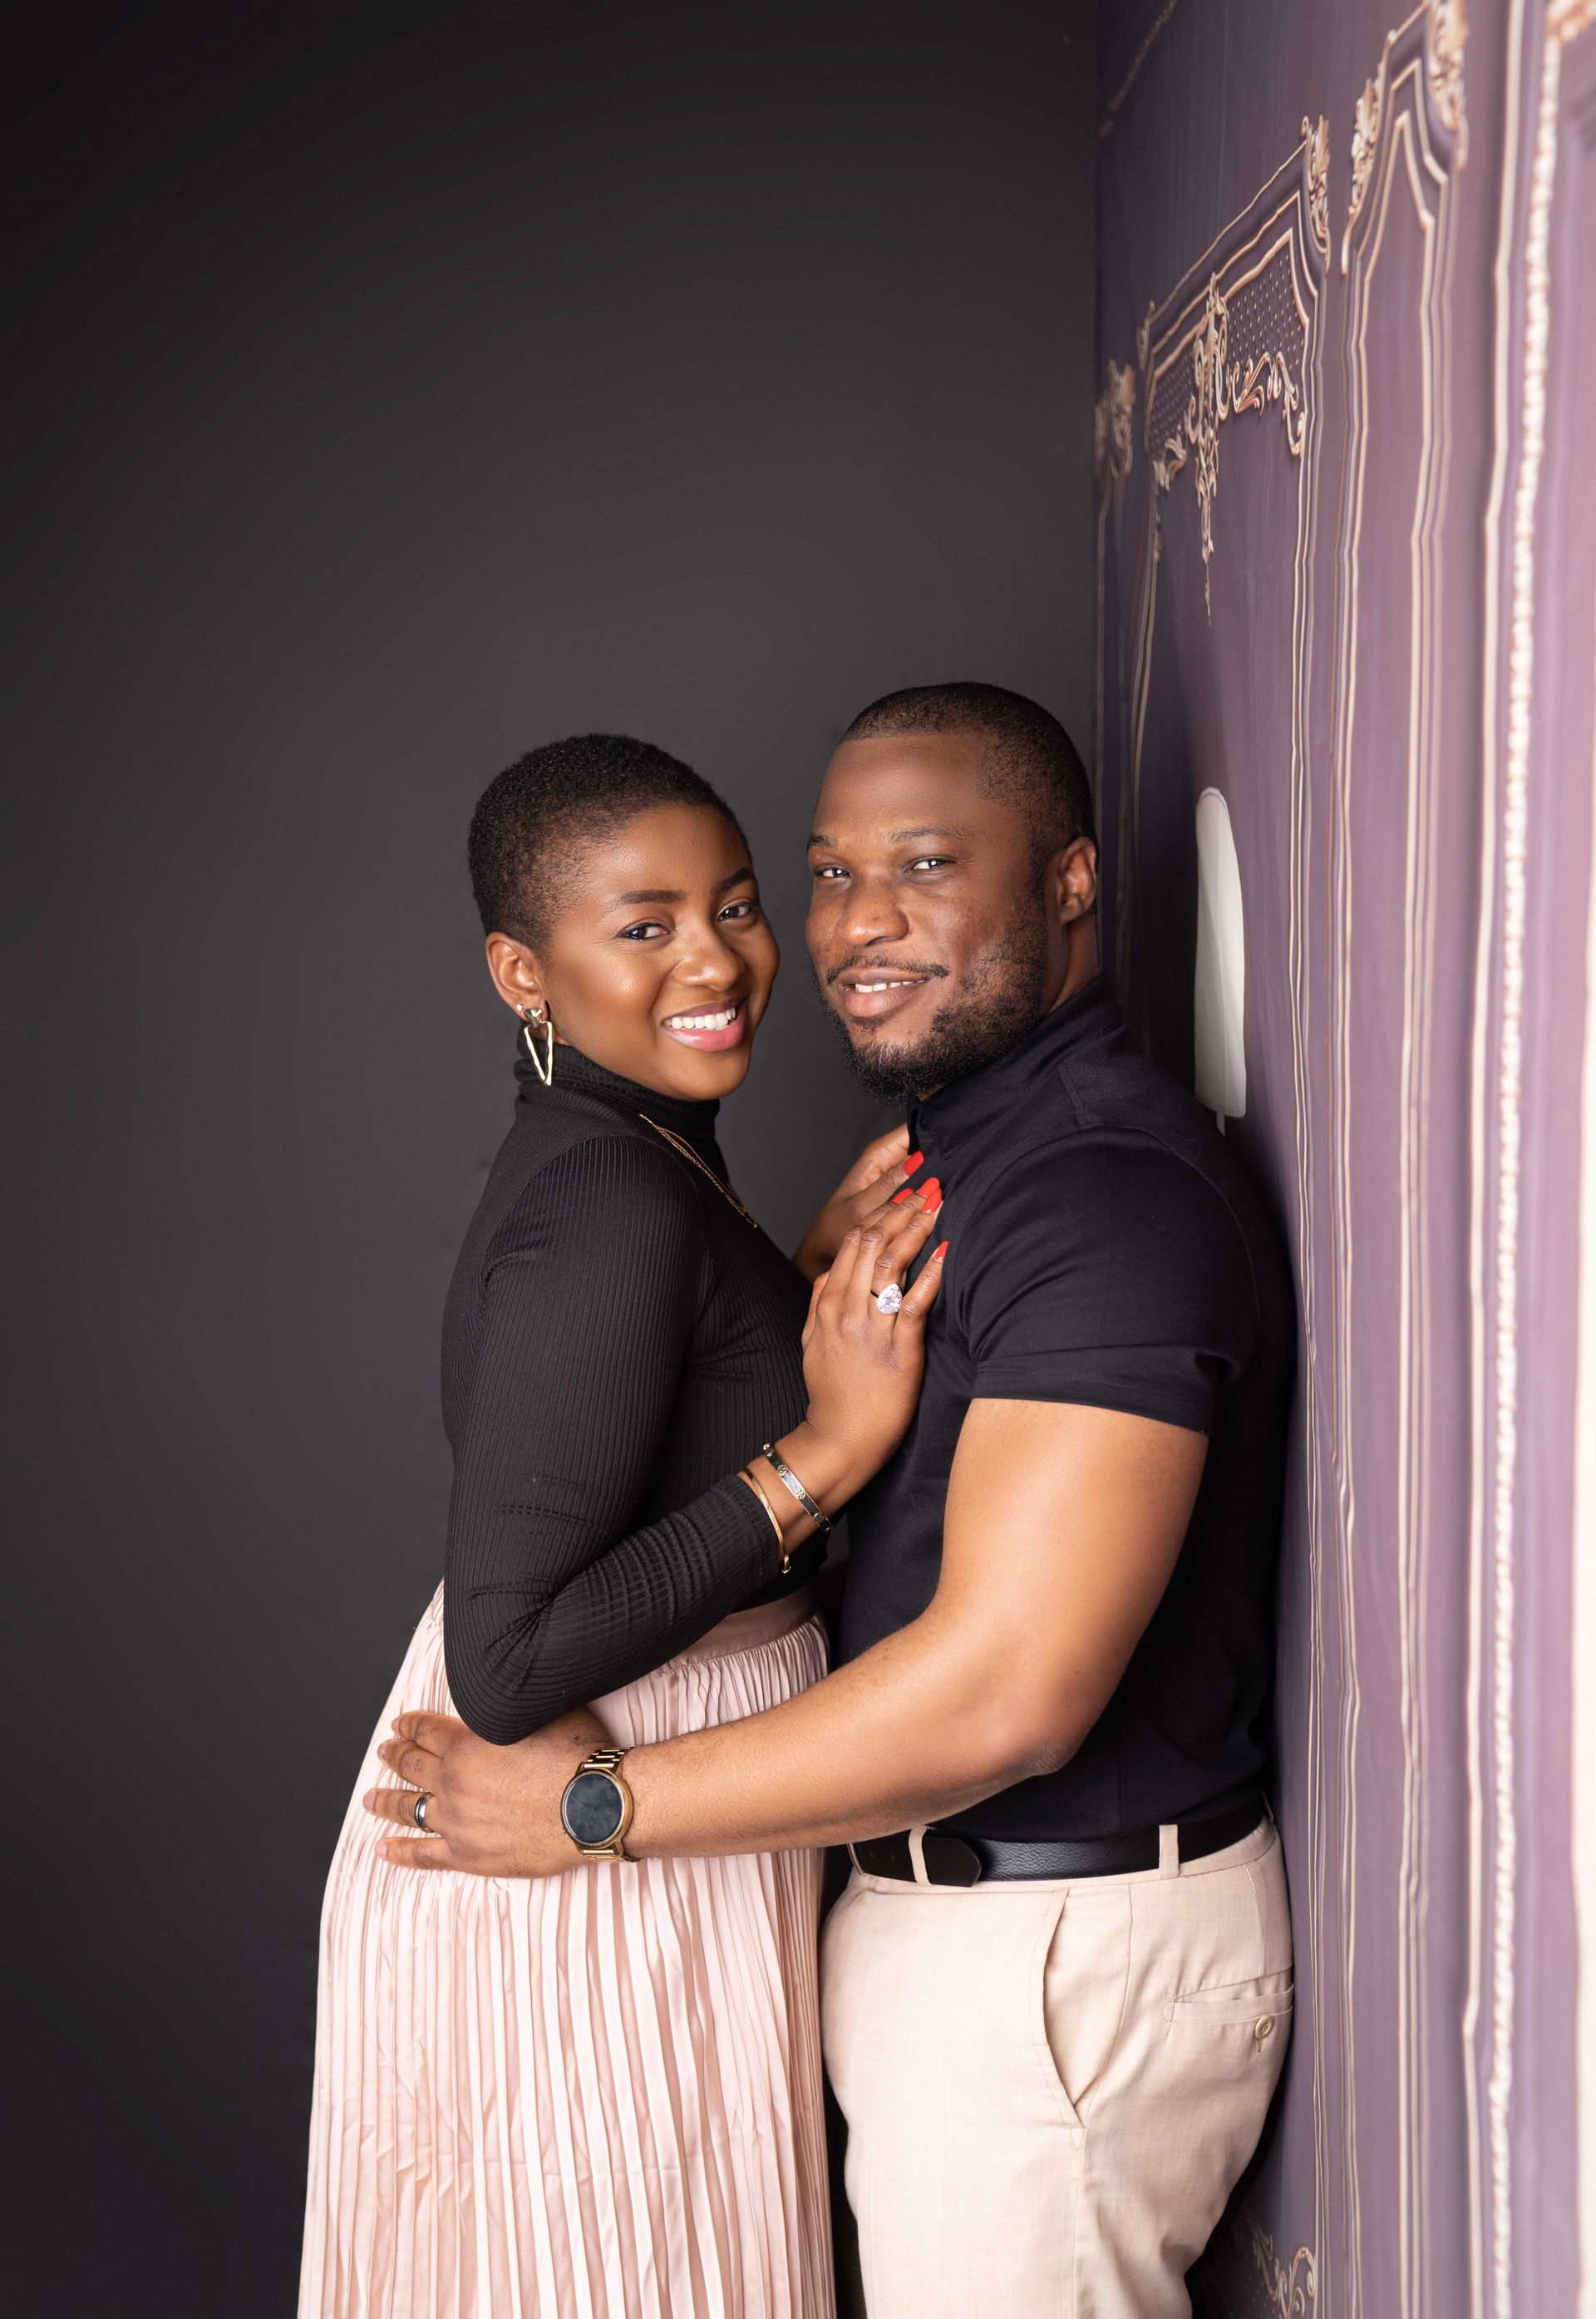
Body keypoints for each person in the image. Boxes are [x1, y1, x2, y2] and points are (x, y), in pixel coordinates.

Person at [362, 684, 1298, 2319]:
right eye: (833, 872)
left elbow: (1012, 1689)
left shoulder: (1101, 1198)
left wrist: (598, 1808)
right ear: (526, 971)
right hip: (940, 1936)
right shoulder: (927, 1168)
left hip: (1045, 1964)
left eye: (926, 865)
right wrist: (798, 1367)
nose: (856, 926)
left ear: (1073, 883)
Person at [298, 733, 948, 2319]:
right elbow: (508, 1660)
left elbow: (641, 1423)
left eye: (733, 905)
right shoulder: (611, 1197)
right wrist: (824, 1448)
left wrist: (775, 1298)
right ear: (524, 968)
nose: (717, 960)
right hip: (578, 1850)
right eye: (642, 926)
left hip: (649, 1823)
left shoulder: (650, 1156)